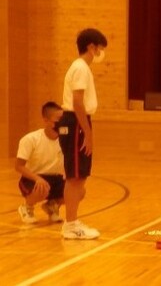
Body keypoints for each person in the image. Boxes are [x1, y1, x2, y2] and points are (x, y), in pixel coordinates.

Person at [57, 28, 106, 240]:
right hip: (76, 122)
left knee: (80, 175)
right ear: (91, 47)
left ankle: (72, 221)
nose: (101, 53)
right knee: (75, 176)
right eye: (100, 48)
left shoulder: (81, 68)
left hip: (78, 122)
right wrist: (87, 131)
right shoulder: (80, 68)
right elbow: (77, 101)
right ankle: (70, 225)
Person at [15, 101, 66, 224]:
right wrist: (37, 178)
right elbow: (19, 166)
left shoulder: (65, 140)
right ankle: (27, 207)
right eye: (57, 120)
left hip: (56, 177)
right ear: (46, 120)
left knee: (78, 191)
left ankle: (52, 206)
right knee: (42, 188)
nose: (61, 124)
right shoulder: (30, 139)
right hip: (33, 178)